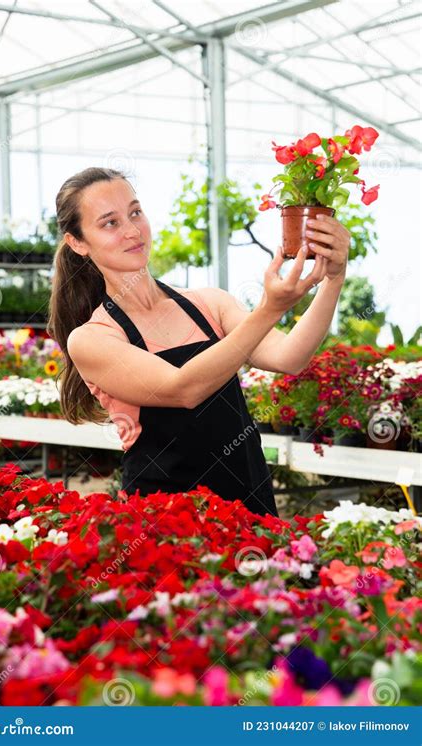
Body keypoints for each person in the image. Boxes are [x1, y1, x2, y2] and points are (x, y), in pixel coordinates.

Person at [47, 167, 350, 517]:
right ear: (78, 242)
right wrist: (270, 308)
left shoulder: (208, 303)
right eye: (110, 223)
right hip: (167, 525)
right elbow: (184, 389)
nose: (132, 231)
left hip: (249, 502)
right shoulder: (92, 338)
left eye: (135, 212)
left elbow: (290, 357)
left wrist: (333, 278)